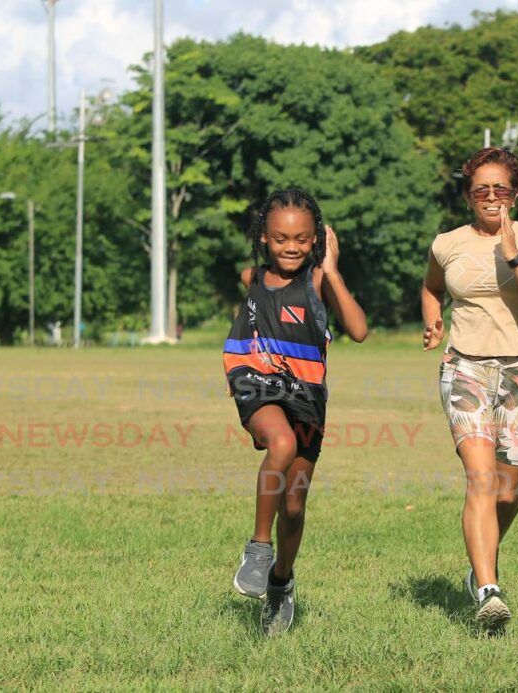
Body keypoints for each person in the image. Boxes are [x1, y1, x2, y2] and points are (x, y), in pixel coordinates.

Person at [421, 147, 518, 631]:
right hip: (465, 369)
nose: (492, 196)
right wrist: (433, 319)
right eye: (482, 189)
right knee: (479, 480)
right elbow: (431, 286)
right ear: (468, 196)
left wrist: (513, 257)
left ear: (515, 195)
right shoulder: (447, 243)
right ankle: (487, 588)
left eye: (501, 188)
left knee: (506, 493)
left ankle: (480, 562)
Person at [224, 189, 368, 636]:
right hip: (256, 384)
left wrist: (332, 271)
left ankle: (281, 582)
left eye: (302, 239)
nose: (291, 246)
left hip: (306, 398)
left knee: (294, 501)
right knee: (280, 442)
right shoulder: (251, 277)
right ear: (264, 237)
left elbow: (359, 330)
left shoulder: (317, 282)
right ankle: (258, 549)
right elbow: (250, 318)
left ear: (315, 241)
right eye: (281, 238)